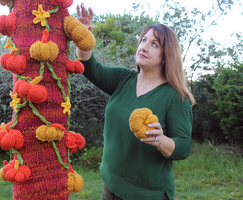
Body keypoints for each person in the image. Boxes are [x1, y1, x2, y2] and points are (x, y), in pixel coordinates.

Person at [76, 3, 195, 200]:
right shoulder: (124, 78)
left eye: (154, 44)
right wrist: (83, 38)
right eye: (144, 40)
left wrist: (160, 140)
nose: (144, 46)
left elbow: (183, 147)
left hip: (147, 194)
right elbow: (88, 67)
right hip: (111, 186)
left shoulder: (175, 96)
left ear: (166, 57)